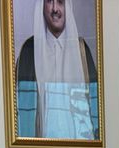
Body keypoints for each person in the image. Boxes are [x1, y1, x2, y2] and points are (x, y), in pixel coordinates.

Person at [16, 0, 99, 139]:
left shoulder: (82, 52)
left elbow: (95, 112)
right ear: (42, 7)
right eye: (49, 2)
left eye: (60, 2)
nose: (55, 9)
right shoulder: (29, 50)